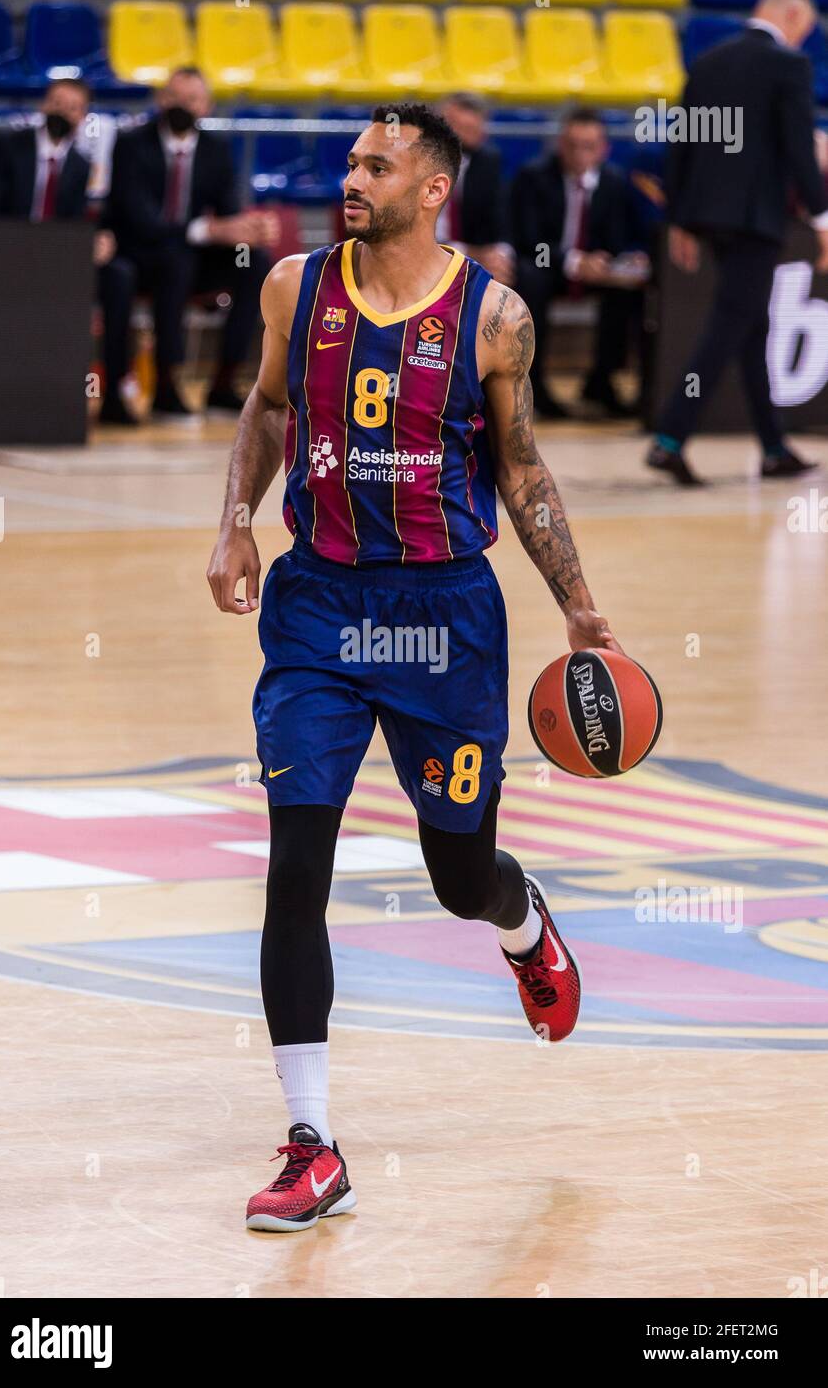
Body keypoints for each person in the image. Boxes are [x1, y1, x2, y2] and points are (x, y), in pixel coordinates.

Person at [207, 103, 621, 1232]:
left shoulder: (496, 319)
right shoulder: (295, 287)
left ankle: (520, 921)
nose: (354, 175)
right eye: (349, 158)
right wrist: (237, 519)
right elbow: (265, 408)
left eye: (377, 165)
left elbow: (525, 472)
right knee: (297, 862)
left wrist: (579, 608)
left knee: (457, 874)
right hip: (318, 611)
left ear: (434, 189)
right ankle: (312, 1141)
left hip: (446, 620)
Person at [648, 0, 828, 485]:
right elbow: (797, 149)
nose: (802, 40)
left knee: (750, 327)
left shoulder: (708, 61)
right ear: (791, 16)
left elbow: (681, 144)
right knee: (729, 327)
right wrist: (822, 215)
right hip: (755, 220)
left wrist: (680, 220)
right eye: (804, 30)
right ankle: (670, 437)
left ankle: (773, 447)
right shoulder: (789, 65)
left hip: (709, 216)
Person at [99, 67, 275, 425]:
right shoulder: (132, 144)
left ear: (206, 106)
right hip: (140, 254)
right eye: (174, 97)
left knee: (253, 263)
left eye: (192, 100)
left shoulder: (216, 150)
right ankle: (166, 385)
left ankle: (224, 382)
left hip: (192, 258)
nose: (181, 106)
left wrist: (247, 229)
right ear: (161, 99)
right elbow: (140, 219)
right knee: (176, 260)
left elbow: (227, 212)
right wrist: (207, 231)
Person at [511, 107, 647, 420]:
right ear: (560, 145)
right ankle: (535, 386)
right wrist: (573, 261)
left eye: (588, 146)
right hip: (549, 266)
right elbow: (530, 240)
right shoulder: (533, 177)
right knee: (532, 279)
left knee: (630, 290)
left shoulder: (614, 182)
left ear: (603, 149)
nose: (579, 154)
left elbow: (623, 237)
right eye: (572, 145)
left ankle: (602, 381)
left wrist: (622, 260)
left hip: (594, 271)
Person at [0, 77, 112, 268]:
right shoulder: (5, 147)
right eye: (57, 103)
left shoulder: (80, 166)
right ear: (43, 105)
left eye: (72, 108)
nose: (62, 113)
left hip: (53, 252)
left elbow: (74, 223)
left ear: (83, 116)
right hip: (4, 244)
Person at [437, 93, 515, 287]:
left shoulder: (489, 163)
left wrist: (500, 256)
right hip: (425, 253)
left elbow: (500, 222)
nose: (458, 138)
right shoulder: (417, 163)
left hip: (470, 254)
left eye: (469, 130)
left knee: (525, 273)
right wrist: (473, 254)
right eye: (453, 127)